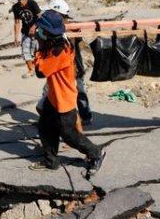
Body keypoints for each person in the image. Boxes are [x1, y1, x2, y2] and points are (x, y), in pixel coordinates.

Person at [29, 10, 105, 177]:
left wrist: (38, 46)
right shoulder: (55, 44)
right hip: (53, 97)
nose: (38, 33)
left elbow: (40, 71)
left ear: (48, 34)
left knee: (70, 136)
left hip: (64, 101)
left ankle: (96, 153)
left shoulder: (59, 52)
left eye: (41, 31)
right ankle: (51, 160)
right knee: (45, 127)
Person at [48, 0, 93, 126]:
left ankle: (84, 118)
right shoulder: (52, 27)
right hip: (60, 69)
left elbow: (79, 46)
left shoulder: (71, 28)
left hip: (72, 68)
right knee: (58, 95)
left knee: (78, 92)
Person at [11, 0, 42, 78]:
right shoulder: (15, 7)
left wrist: (34, 26)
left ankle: (40, 68)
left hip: (37, 32)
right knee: (25, 52)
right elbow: (17, 22)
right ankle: (31, 70)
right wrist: (16, 37)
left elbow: (40, 17)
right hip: (25, 32)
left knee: (37, 51)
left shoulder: (32, 3)